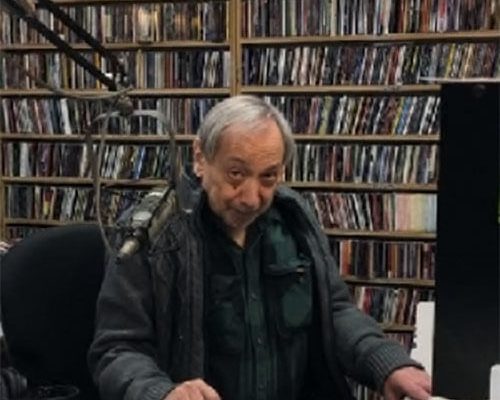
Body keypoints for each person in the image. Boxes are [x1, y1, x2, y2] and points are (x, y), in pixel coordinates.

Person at [88, 95, 432, 400]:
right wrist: (160, 392)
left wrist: (386, 362)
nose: (252, 199)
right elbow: (116, 349)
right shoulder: (152, 234)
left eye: (268, 176)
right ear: (200, 158)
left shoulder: (293, 218)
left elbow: (334, 312)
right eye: (236, 174)